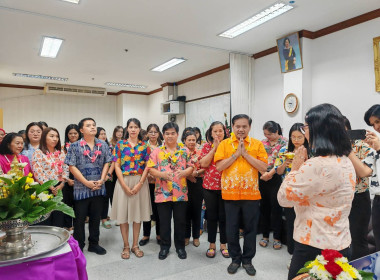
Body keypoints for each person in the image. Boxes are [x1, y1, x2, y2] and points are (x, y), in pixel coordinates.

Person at [278, 104, 356, 280]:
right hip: (341, 242)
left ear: (316, 129)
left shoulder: (317, 165)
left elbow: (284, 198)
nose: (305, 132)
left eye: (306, 127)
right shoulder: (345, 161)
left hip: (314, 246)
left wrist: (296, 168)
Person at [214, 114, 268, 276]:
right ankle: (235, 259)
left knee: (251, 229)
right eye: (238, 126)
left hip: (251, 194)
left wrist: (245, 154)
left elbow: (263, 167)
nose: (241, 129)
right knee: (231, 229)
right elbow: (219, 167)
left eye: (244, 126)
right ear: (232, 127)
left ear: (249, 127)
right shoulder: (224, 144)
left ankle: (247, 260)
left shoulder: (257, 144)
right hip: (230, 195)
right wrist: (236, 154)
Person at [64, 117, 112, 254]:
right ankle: (79, 246)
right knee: (79, 219)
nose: (92, 127)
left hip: (98, 187)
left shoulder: (103, 144)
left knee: (96, 218)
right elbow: (71, 167)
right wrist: (86, 183)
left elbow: (107, 163)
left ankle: (94, 243)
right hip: (81, 189)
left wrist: (102, 180)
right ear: (81, 130)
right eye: (88, 125)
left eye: (94, 125)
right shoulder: (74, 146)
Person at [148, 122, 194, 260]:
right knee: (164, 222)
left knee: (180, 221)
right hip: (162, 192)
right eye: (167, 133)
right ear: (163, 135)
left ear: (177, 135)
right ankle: (165, 247)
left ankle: (180, 247)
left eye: (173, 133)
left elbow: (192, 166)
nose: (170, 136)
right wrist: (161, 175)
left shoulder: (185, 151)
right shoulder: (157, 151)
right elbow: (150, 169)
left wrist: (185, 172)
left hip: (180, 193)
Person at [110, 118, 152, 259]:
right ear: (127, 129)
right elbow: (116, 165)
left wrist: (140, 183)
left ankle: (135, 245)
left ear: (139, 129)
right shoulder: (120, 145)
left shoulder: (144, 146)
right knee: (123, 216)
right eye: (130, 127)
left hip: (140, 182)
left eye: (136, 127)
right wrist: (123, 185)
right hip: (123, 181)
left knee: (137, 215)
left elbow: (148, 166)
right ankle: (126, 245)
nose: (133, 129)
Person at [341, 116, 374, 260]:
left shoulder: (362, 146)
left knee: (358, 240)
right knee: (340, 240)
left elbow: (364, 172)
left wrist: (347, 150)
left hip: (358, 198)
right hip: (338, 198)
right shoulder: (328, 149)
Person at [274, 123, 309, 257]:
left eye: (299, 137)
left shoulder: (309, 150)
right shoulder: (284, 150)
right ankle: (292, 253)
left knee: (305, 223)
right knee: (291, 222)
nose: (296, 140)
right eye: (293, 137)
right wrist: (285, 164)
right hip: (290, 191)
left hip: (306, 193)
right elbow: (278, 171)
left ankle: (304, 254)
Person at [199, 121, 229, 258]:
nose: (218, 133)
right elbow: (203, 164)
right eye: (215, 131)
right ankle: (212, 244)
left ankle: (224, 244)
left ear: (225, 132)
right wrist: (214, 148)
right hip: (209, 186)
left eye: (220, 131)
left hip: (226, 186)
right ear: (210, 133)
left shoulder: (229, 146)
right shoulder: (206, 146)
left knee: (224, 217)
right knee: (211, 217)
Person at [31, 127, 69, 227]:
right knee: (46, 215)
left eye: (56, 136)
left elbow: (66, 168)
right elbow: (38, 172)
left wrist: (62, 184)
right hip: (45, 188)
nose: (55, 139)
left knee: (59, 214)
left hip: (60, 186)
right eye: (51, 136)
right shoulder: (38, 153)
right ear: (44, 138)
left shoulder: (60, 152)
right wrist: (50, 186)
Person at [259, 121, 287, 250]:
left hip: (276, 177)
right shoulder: (262, 143)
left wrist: (269, 174)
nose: (267, 136)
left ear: (277, 132)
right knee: (264, 208)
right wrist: (263, 173)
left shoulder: (284, 143)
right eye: (265, 134)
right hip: (263, 176)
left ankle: (277, 238)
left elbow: (280, 161)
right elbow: (258, 159)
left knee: (276, 208)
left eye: (269, 134)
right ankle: (265, 235)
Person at [139, 124, 163, 246]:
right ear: (147, 133)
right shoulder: (143, 146)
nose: (153, 134)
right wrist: (147, 174)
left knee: (159, 210)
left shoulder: (163, 146)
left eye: (155, 132)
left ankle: (159, 234)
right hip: (146, 182)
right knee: (146, 209)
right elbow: (141, 163)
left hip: (160, 183)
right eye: (150, 132)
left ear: (159, 133)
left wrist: (158, 174)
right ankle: (146, 234)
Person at [183, 130, 205, 247]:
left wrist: (195, 173)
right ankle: (186, 236)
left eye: (193, 140)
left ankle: (196, 237)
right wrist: (189, 175)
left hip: (198, 182)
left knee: (197, 210)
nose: (191, 142)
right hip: (184, 183)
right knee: (186, 211)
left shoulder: (200, 152)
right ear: (185, 141)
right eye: (189, 140)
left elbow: (205, 167)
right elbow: (178, 167)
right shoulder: (182, 152)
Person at [363, 105, 380, 251]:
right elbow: (364, 171)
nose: (376, 127)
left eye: (378, 122)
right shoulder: (375, 146)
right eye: (373, 124)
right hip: (378, 199)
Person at [62, 124, 81, 230]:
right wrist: (67, 179)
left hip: (81, 180)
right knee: (68, 204)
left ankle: (78, 226)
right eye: (70, 133)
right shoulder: (62, 148)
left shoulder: (83, 147)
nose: (73, 135)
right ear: (67, 134)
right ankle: (69, 226)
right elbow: (61, 166)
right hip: (67, 179)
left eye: (75, 133)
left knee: (79, 205)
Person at [106, 125, 124, 227]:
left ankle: (121, 216)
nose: (120, 133)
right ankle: (115, 215)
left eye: (121, 132)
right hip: (112, 173)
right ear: (114, 132)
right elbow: (110, 159)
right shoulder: (110, 144)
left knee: (121, 194)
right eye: (118, 132)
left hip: (122, 172)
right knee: (113, 194)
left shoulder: (125, 143)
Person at [96, 127, 113, 229]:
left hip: (108, 177)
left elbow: (113, 161)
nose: (103, 136)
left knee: (106, 198)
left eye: (104, 133)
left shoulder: (109, 147)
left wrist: (108, 175)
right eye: (101, 134)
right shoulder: (94, 147)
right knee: (98, 199)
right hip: (96, 177)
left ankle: (104, 218)